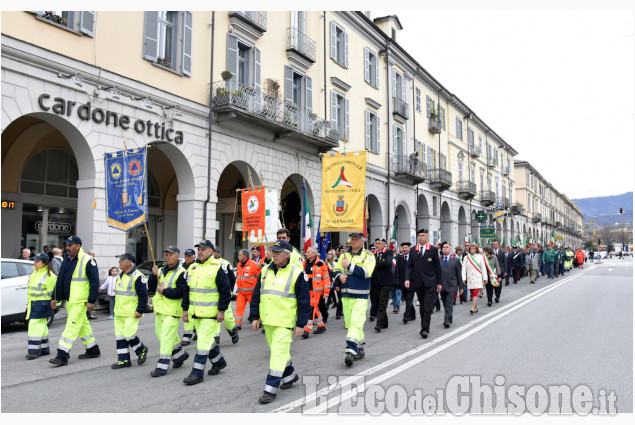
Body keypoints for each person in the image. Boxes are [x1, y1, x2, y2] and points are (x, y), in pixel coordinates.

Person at [248, 240, 311, 404]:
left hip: (284, 322)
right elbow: (256, 295)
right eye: (272, 252)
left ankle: (270, 389)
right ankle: (290, 376)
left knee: (276, 355)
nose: (273, 255)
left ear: (287, 254)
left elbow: (305, 302)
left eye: (277, 252)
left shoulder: (298, 273)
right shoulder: (264, 271)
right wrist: (254, 317)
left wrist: (301, 324)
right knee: (280, 352)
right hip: (268, 321)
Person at [181, 240, 231, 385]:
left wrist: (221, 310)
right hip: (196, 314)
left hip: (210, 314)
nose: (200, 251)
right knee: (208, 342)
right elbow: (187, 291)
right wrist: (185, 309)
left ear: (211, 251)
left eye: (203, 249)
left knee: (202, 343)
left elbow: (225, 292)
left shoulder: (218, 267)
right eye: (199, 249)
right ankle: (219, 362)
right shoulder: (193, 267)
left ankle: (197, 373)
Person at [49, 236, 101, 367]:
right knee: (83, 326)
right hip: (70, 301)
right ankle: (92, 349)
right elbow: (60, 279)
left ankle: (62, 354)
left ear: (78, 246)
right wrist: (54, 297)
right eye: (66, 245)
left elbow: (95, 282)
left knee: (71, 327)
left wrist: (91, 301)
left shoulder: (88, 260)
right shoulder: (67, 259)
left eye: (70, 245)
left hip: (80, 301)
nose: (67, 248)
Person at [332, 232, 376, 365]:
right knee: (351, 325)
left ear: (363, 241)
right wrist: (339, 276)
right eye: (352, 239)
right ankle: (360, 346)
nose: (354, 241)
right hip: (346, 295)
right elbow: (335, 269)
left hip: (360, 295)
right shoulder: (345, 255)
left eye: (357, 239)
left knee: (357, 321)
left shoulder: (368, 255)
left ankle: (350, 350)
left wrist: (349, 266)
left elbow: (367, 272)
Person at [148, 246, 190, 377]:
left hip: (172, 311)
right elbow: (151, 287)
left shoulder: (182, 272)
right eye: (166, 254)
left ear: (177, 256)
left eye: (170, 254)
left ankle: (162, 366)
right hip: (160, 309)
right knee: (162, 335)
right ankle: (180, 355)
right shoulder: (160, 270)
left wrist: (164, 291)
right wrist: (153, 276)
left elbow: (182, 292)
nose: (167, 257)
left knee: (166, 337)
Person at [110, 252, 149, 369]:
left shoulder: (138, 276)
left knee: (129, 335)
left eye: (122, 260)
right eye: (119, 260)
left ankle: (141, 350)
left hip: (131, 313)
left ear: (129, 262)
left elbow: (143, 295)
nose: (119, 262)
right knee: (120, 337)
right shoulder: (120, 276)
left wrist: (140, 310)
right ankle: (123, 360)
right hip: (119, 313)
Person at [404, 229, 442, 339]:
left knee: (428, 305)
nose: (421, 237)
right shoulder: (413, 250)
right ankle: (424, 326)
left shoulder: (433, 250)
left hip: (430, 281)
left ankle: (425, 328)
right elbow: (409, 266)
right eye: (419, 235)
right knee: (422, 305)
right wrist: (407, 279)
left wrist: (439, 282)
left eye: (423, 235)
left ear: (427, 237)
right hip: (418, 282)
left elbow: (438, 267)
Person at [25, 252, 57, 359]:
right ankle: (44, 349)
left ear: (44, 263)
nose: (35, 263)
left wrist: (55, 303)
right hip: (35, 303)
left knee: (34, 325)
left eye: (37, 261)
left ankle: (33, 350)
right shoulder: (35, 273)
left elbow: (54, 292)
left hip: (42, 304)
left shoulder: (49, 276)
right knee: (42, 326)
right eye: (34, 260)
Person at [212, 246, 239, 344]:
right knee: (214, 318)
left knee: (227, 317)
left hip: (224, 295)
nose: (213, 254)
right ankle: (215, 339)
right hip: (212, 296)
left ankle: (233, 331)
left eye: (215, 252)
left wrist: (229, 291)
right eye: (212, 252)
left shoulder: (225, 263)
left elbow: (232, 278)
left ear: (219, 253)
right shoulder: (208, 264)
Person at [302, 247, 330, 337]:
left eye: (308, 252)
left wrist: (326, 291)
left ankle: (307, 330)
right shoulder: (305, 263)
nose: (306, 253)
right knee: (314, 309)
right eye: (306, 252)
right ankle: (321, 326)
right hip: (307, 290)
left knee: (311, 308)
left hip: (317, 291)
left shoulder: (321, 264)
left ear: (314, 254)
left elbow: (326, 279)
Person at [371, 238, 395, 333]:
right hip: (376, 282)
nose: (377, 245)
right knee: (377, 302)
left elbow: (388, 262)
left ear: (384, 244)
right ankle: (385, 322)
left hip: (386, 282)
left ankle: (379, 324)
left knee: (382, 302)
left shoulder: (388, 252)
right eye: (376, 243)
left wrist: (374, 263)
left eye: (379, 243)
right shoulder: (373, 254)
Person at [234, 248, 261, 330]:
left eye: (240, 255)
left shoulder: (253, 265)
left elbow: (259, 277)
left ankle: (259, 321)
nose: (238, 256)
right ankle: (237, 324)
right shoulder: (239, 265)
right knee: (239, 308)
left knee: (255, 307)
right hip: (241, 292)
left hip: (251, 292)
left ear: (245, 256)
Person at [439, 242, 463, 328]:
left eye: (447, 247)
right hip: (442, 286)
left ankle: (447, 320)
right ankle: (449, 316)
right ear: (441, 249)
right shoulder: (439, 259)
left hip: (452, 285)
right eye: (444, 247)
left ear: (450, 249)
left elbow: (459, 275)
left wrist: (461, 287)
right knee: (445, 303)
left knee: (449, 303)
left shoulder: (455, 260)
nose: (445, 248)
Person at [462, 243, 487, 314]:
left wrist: (485, 278)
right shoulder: (466, 257)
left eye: (474, 248)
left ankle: (472, 307)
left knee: (476, 292)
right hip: (470, 277)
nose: (472, 249)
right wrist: (464, 278)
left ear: (476, 250)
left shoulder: (480, 257)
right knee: (472, 293)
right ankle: (476, 307)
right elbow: (464, 269)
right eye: (471, 248)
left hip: (477, 277)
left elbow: (483, 268)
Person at [181, 248, 197, 345]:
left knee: (190, 315)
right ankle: (196, 332)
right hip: (184, 294)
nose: (187, 258)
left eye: (189, 256)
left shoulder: (196, 266)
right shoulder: (181, 266)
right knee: (189, 315)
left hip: (194, 295)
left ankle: (187, 336)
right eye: (186, 256)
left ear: (193, 257)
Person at [392, 242, 410, 313]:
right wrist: (397, 280)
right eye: (403, 248)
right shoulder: (399, 257)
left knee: (409, 299)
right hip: (401, 282)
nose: (404, 249)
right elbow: (397, 270)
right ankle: (412, 314)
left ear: (409, 248)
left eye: (406, 248)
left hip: (411, 282)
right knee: (406, 299)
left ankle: (407, 315)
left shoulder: (413, 257)